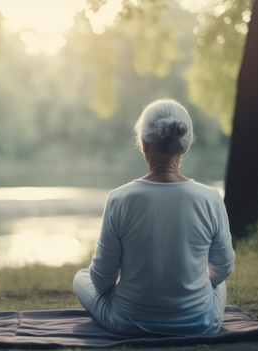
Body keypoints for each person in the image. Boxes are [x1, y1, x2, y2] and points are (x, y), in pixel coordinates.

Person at [73, 98, 235, 336]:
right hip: (201, 323)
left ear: (143, 144)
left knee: (81, 278)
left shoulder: (119, 199)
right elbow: (222, 269)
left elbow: (101, 281)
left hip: (129, 323)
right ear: (185, 146)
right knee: (217, 282)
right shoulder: (211, 198)